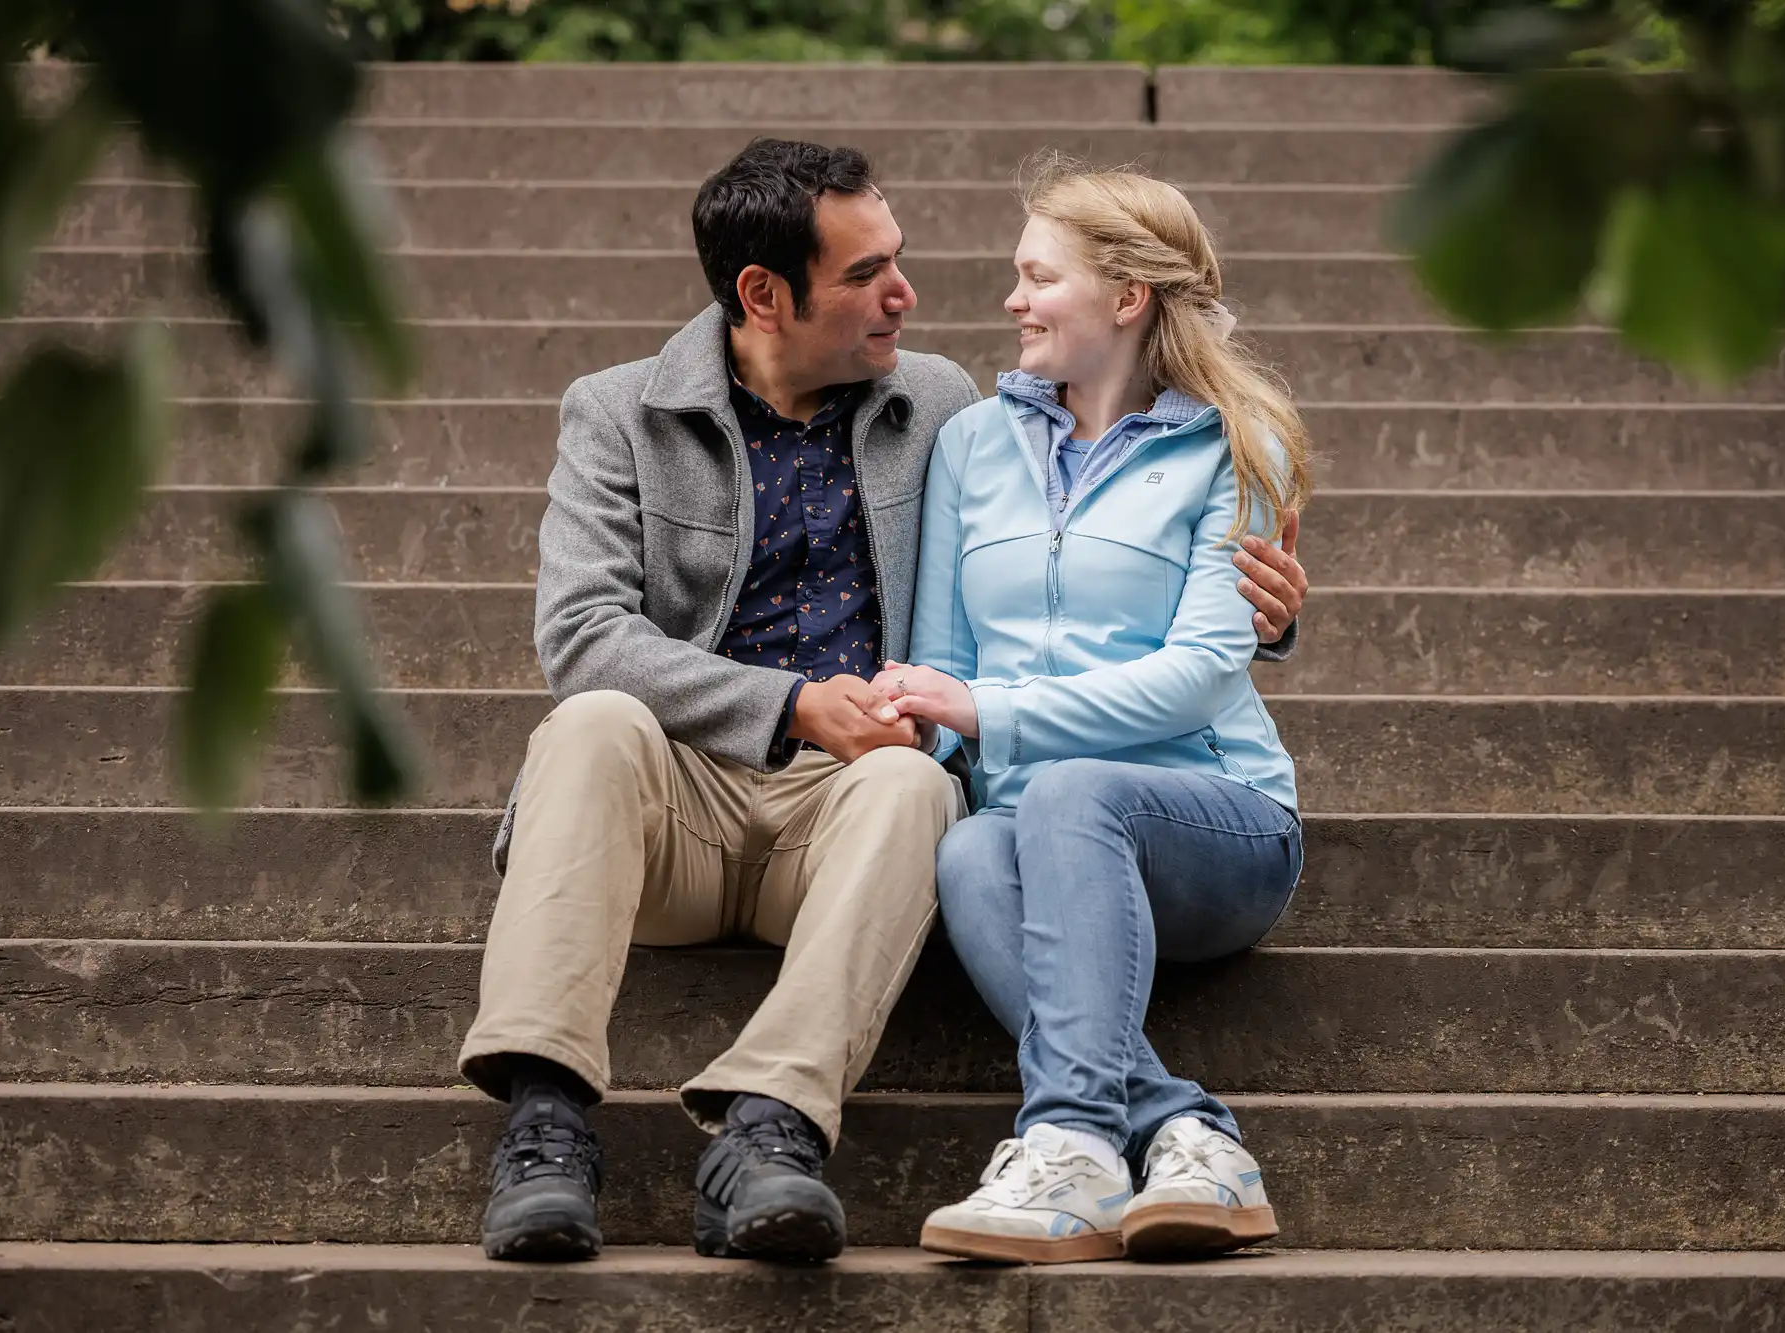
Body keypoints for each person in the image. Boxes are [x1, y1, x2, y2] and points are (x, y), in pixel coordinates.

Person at [455, 139, 1313, 1265]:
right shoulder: (621, 413)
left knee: (922, 786)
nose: (907, 293)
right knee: (591, 720)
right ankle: (545, 1124)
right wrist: (793, 704)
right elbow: (580, 637)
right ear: (764, 294)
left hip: (857, 809)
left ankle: (773, 1128)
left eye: (896, 260)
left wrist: (1260, 618)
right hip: (676, 801)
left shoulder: (939, 404)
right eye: (866, 274)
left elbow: (1069, 600)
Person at [871, 160, 1309, 1265]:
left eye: (1037, 277)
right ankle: (1183, 1132)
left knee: (1066, 795)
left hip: (1216, 821)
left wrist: (991, 709)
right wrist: (914, 714)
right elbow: (946, 663)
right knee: (970, 849)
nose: (1012, 300)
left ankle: (1069, 1137)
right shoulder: (972, 443)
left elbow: (1201, 672)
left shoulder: (1236, 441)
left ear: (1127, 296)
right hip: (1036, 828)